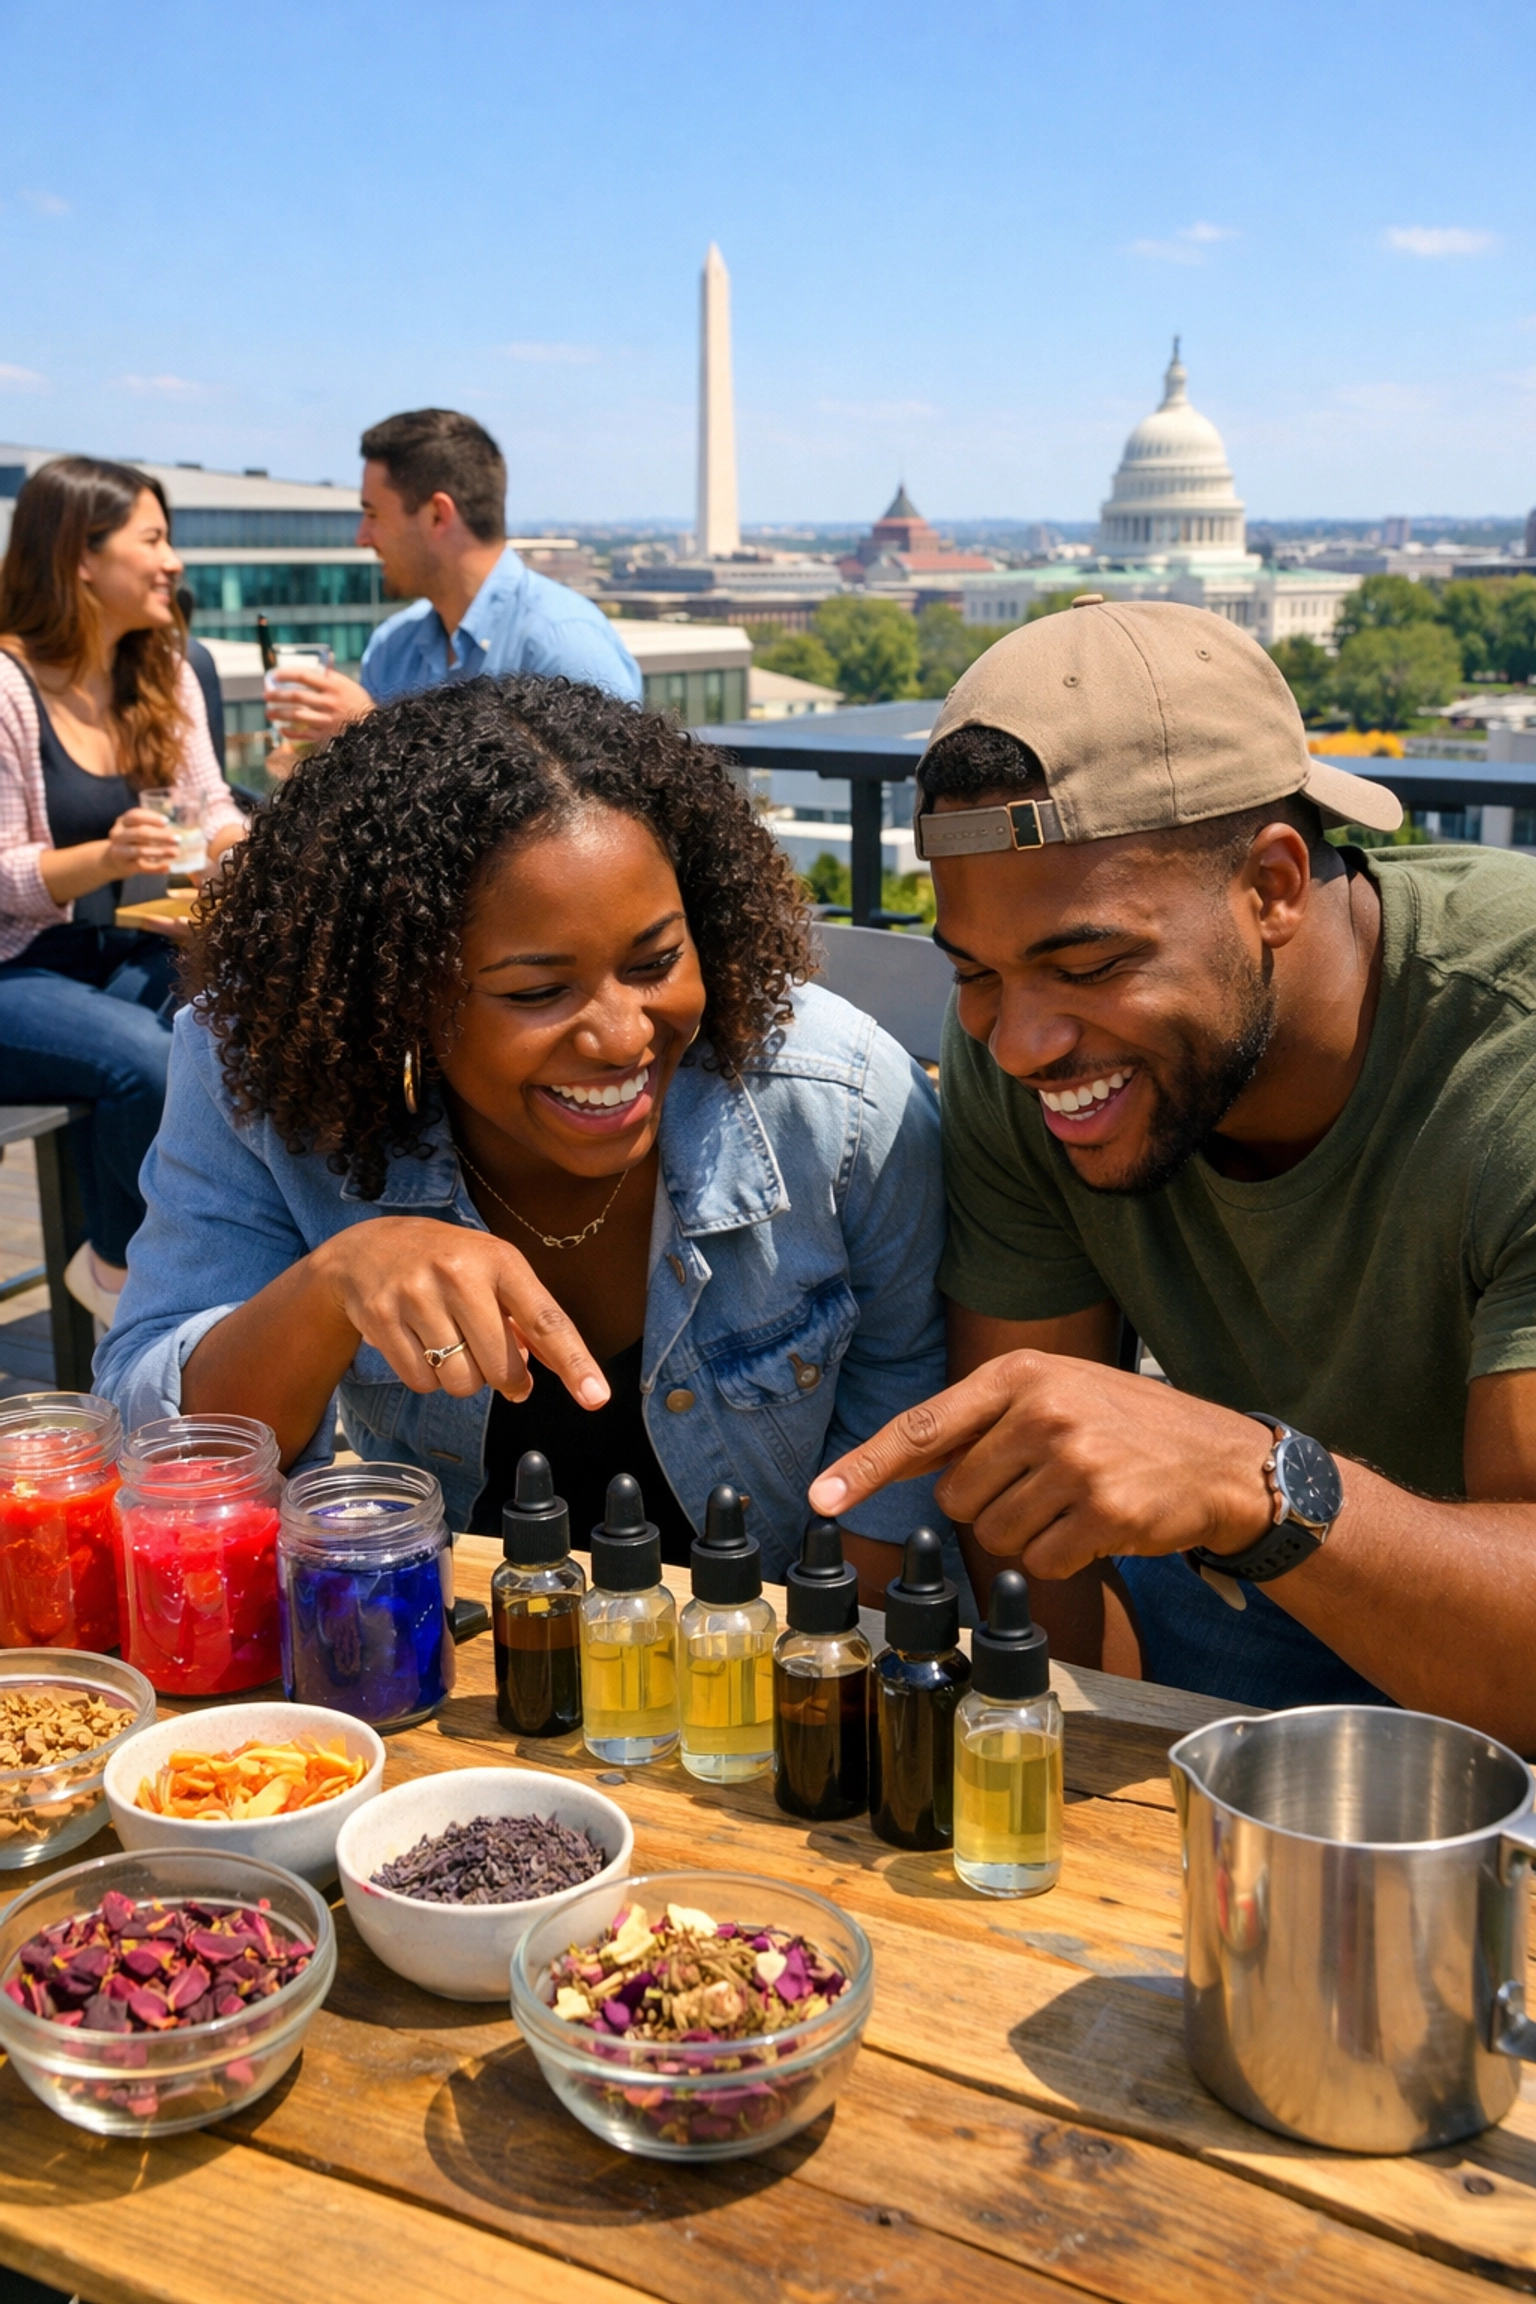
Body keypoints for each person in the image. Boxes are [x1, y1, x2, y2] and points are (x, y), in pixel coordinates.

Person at [808, 596, 1536, 1750]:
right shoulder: (1018, 1050)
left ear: (1273, 887)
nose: (1021, 1044)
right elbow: (1028, 1517)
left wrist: (1256, 1480)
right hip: (1244, 1579)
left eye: (1090, 963)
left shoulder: (1512, 1055)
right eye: (975, 972)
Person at [97, 675, 947, 1591]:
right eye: (538, 991)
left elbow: (903, 1439)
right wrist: (332, 1286)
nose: (621, 1037)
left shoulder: (842, 1101)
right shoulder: (270, 1071)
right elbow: (156, 1449)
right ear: (398, 996)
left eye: (656, 962)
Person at [0, 459, 245, 1326]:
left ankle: (219, 1259)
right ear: (81, 558)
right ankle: (129, 1278)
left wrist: (236, 855)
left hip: (117, 952)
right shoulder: (7, 688)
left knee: (231, 1017)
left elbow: (214, 806)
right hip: (16, 967)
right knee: (143, 1060)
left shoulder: (163, 668)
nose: (173, 561)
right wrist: (104, 858)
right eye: (153, 540)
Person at [260, 408, 640, 766]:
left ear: (437, 515)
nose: (362, 537)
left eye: (373, 514)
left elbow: (601, 808)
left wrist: (369, 731)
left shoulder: (565, 646)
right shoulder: (391, 647)